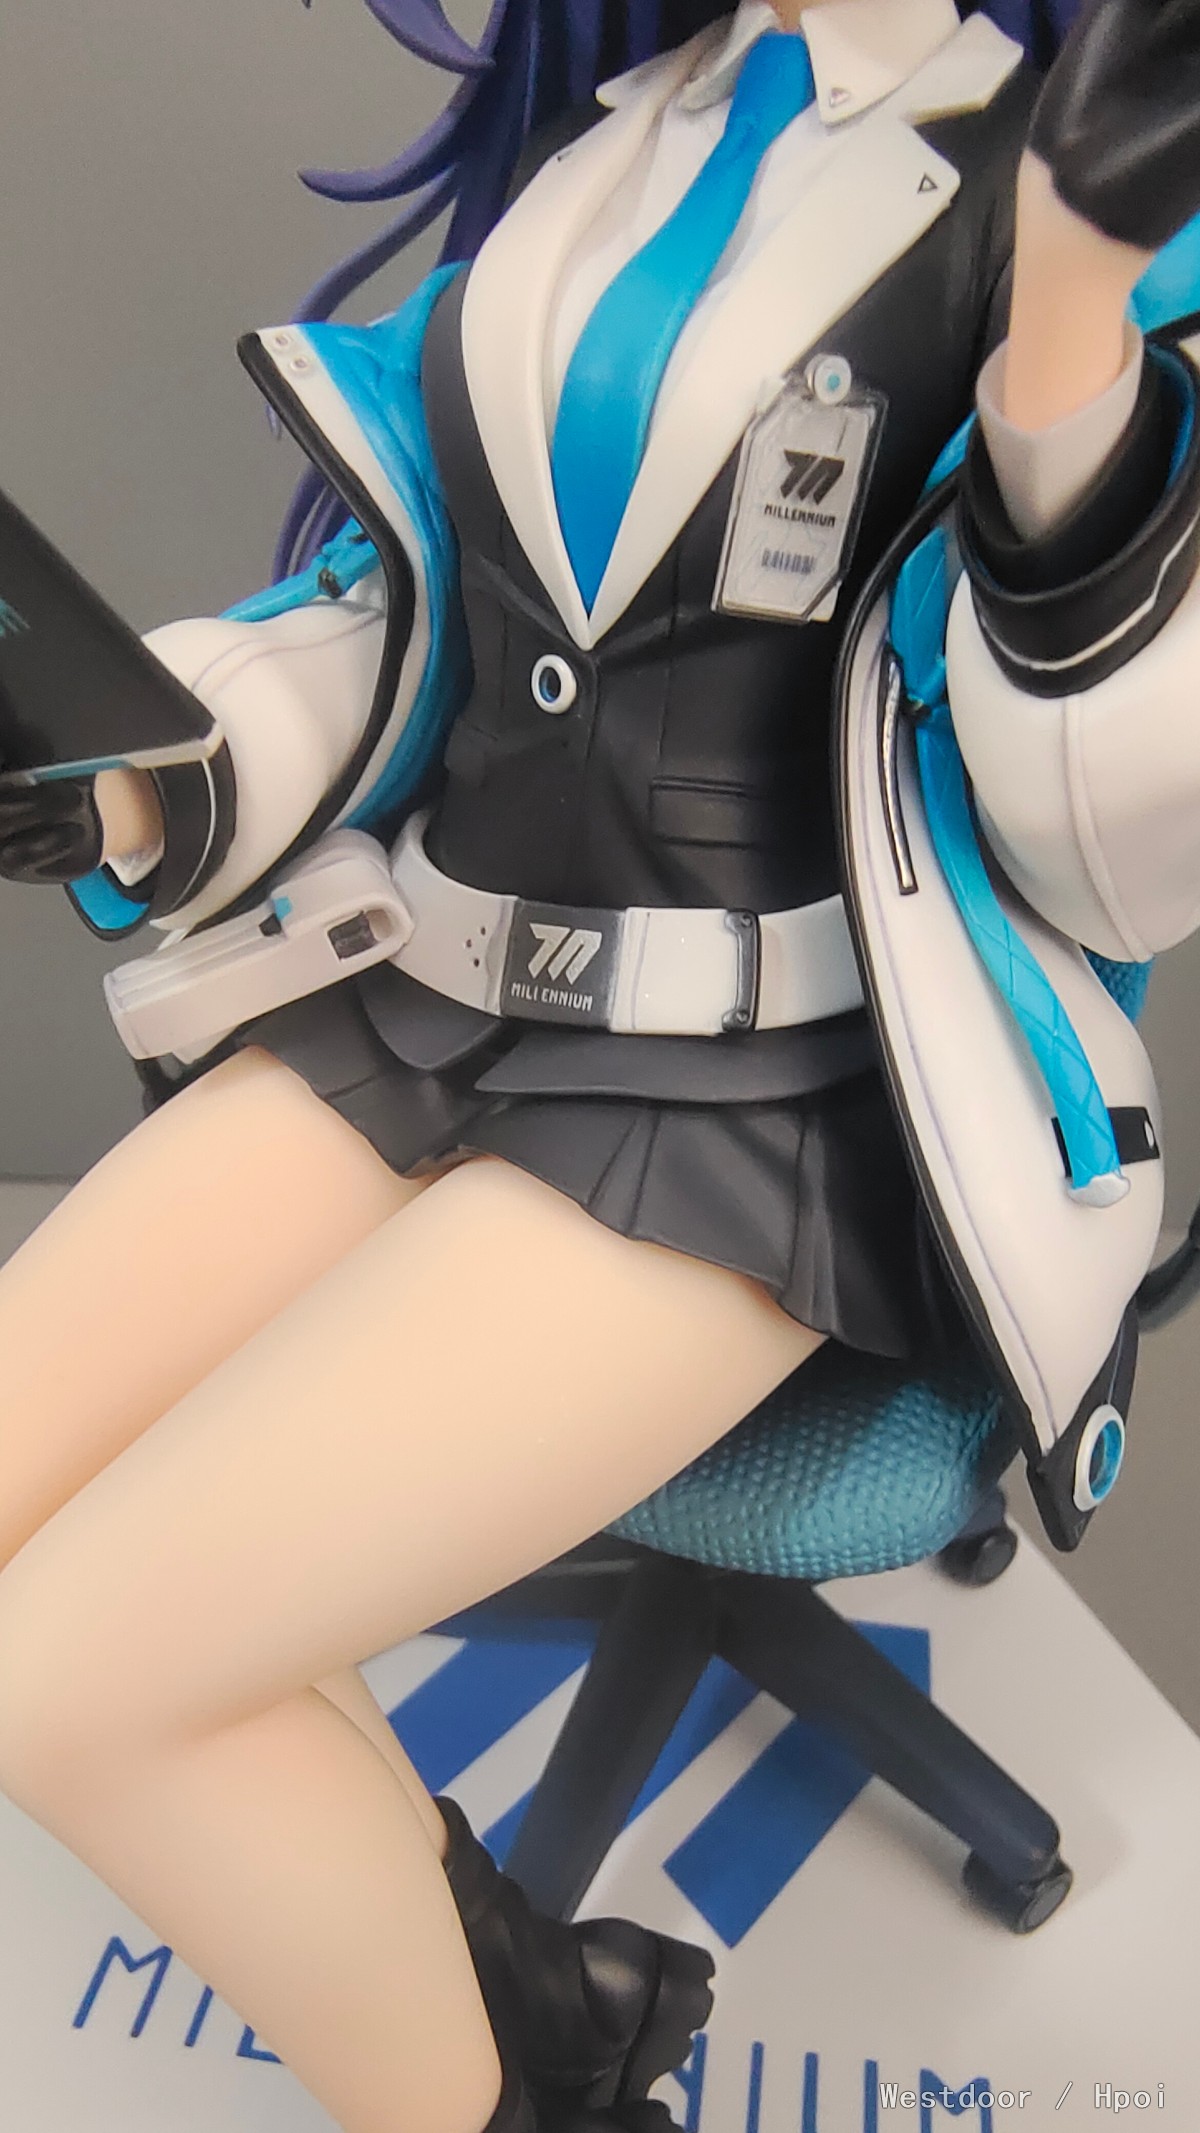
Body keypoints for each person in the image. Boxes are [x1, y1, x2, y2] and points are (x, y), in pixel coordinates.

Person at [0, 0, 1198, 2128]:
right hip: (429, 990)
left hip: (751, 1092)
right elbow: (404, 610)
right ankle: (523, 1995)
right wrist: (134, 775)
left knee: (68, 1679)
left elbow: (1113, 838)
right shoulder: (609, 143)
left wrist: (1072, 327)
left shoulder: (1073, 186)